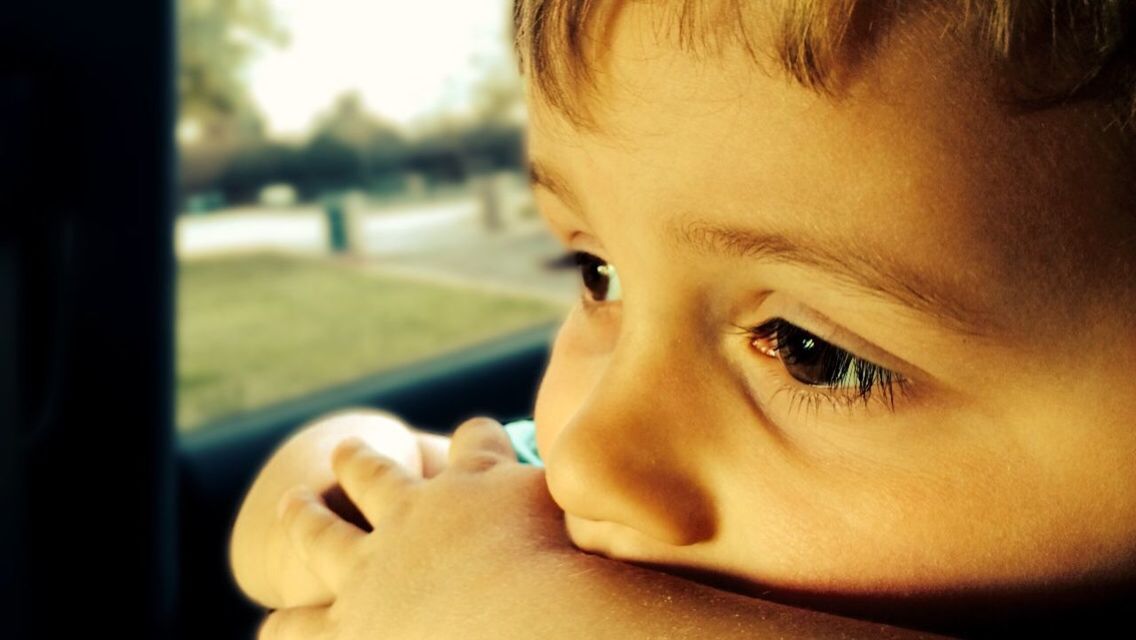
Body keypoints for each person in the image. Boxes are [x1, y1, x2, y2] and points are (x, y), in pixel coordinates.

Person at [230, 0, 1136, 636]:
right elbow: (338, 486)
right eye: (600, 273)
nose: (588, 453)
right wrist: (357, 523)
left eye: (814, 354)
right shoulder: (569, 507)